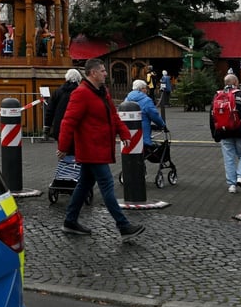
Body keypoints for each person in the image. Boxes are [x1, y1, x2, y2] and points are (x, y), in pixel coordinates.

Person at [57, 58, 144, 241]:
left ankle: (70, 221)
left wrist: (125, 134)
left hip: (100, 147)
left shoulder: (102, 92)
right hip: (91, 149)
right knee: (106, 185)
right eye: (103, 71)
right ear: (93, 73)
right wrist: (63, 147)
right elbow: (68, 121)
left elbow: (113, 114)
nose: (105, 73)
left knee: (84, 184)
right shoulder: (81, 94)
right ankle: (123, 226)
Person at [208, 73, 241, 193]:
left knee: (229, 158)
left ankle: (231, 185)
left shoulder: (217, 96)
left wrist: (215, 134)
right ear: (236, 83)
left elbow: (212, 117)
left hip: (224, 131)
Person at [126, 80, 166, 148]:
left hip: (129, 134)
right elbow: (154, 115)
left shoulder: (126, 99)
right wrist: (162, 125)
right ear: (141, 89)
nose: (146, 90)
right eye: (145, 88)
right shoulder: (146, 100)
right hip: (143, 133)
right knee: (147, 150)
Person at [43, 68, 81, 140]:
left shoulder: (57, 92)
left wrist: (47, 127)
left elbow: (50, 110)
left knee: (62, 149)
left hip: (60, 127)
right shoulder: (81, 92)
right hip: (77, 128)